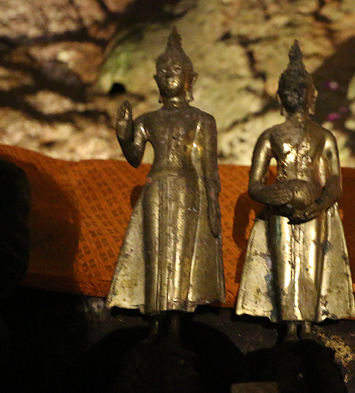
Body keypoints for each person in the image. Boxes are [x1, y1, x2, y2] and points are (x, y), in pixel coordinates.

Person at [106, 28, 224, 337]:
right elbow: (134, 157)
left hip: (186, 186)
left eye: (175, 71)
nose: (168, 75)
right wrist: (123, 134)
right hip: (156, 185)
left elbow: (208, 167)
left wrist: (213, 202)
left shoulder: (201, 119)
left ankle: (176, 318)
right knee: (155, 250)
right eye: (163, 72)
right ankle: (155, 318)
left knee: (182, 251)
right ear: (156, 79)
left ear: (190, 78)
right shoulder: (148, 120)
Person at [235, 41, 354, 341]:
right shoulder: (270, 136)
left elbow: (335, 179)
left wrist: (321, 202)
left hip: (316, 204)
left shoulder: (324, 136)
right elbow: (254, 184)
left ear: (312, 96)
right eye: (289, 91)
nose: (295, 96)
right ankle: (289, 327)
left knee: (313, 265)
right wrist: (276, 196)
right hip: (281, 207)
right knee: (285, 265)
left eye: (301, 91)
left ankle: (310, 324)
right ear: (279, 97)